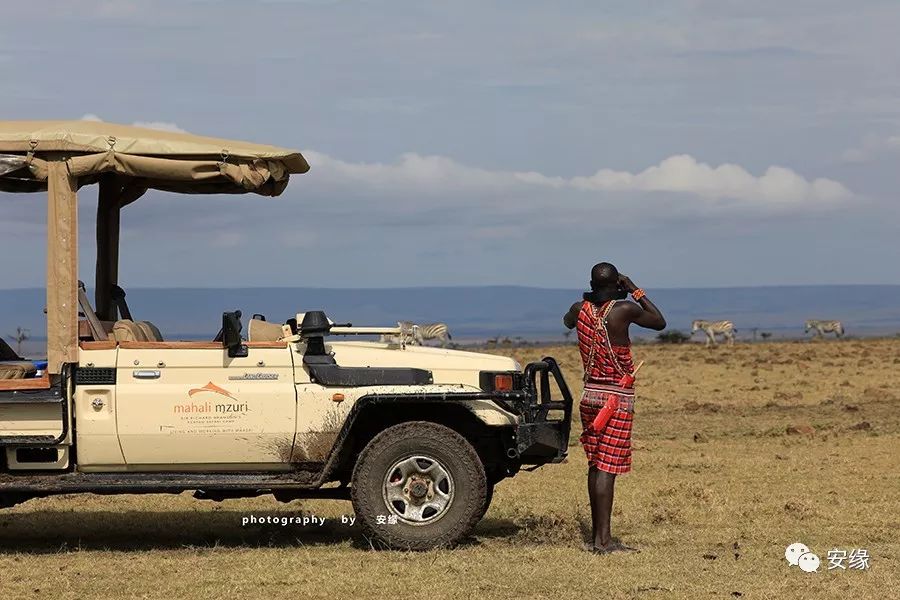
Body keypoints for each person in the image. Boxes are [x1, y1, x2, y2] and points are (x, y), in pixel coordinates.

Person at [563, 262, 666, 554]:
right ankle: (603, 542)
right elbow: (659, 322)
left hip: (590, 396)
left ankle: (598, 538)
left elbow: (567, 322)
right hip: (616, 399)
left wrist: (587, 303)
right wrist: (634, 288)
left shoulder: (578, 309)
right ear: (616, 286)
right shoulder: (624, 309)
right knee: (607, 467)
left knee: (596, 464)